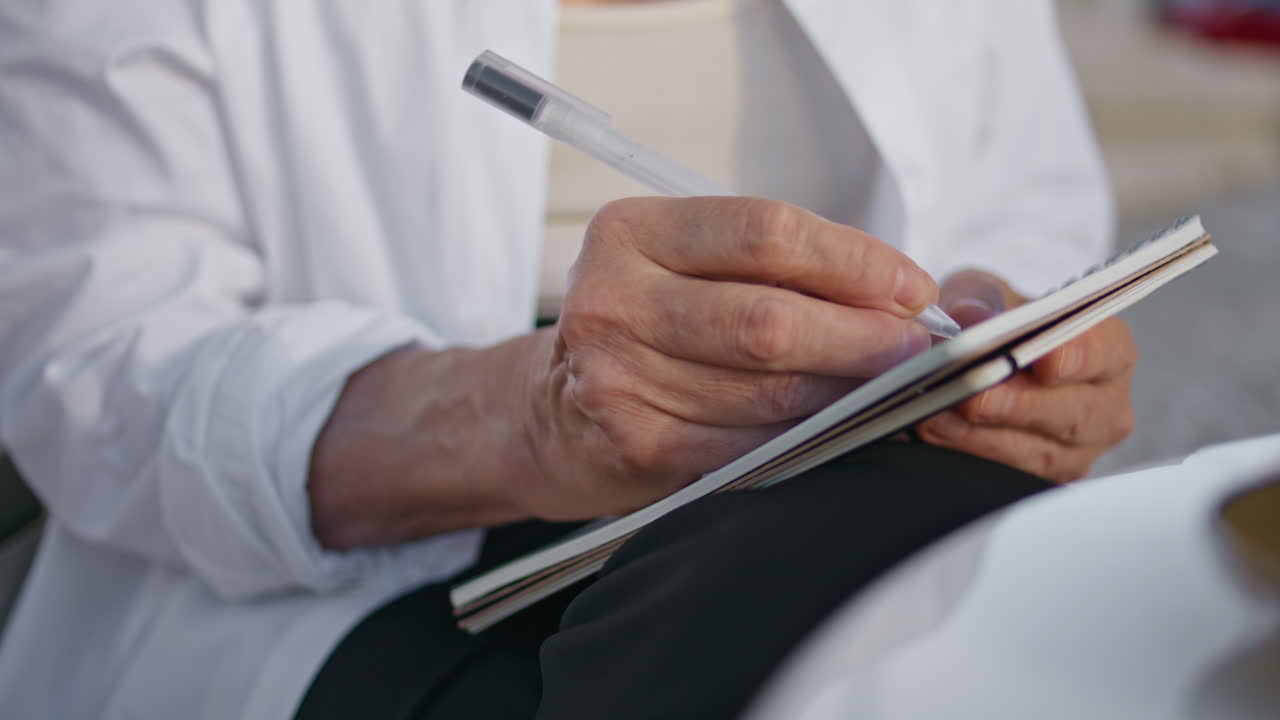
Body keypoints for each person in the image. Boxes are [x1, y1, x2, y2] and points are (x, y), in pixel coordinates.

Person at [0, 0, 1136, 717]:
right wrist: (524, 420)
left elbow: (1024, 202)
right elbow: (88, 353)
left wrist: (1014, 351)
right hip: (354, 582)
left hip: (857, 500)